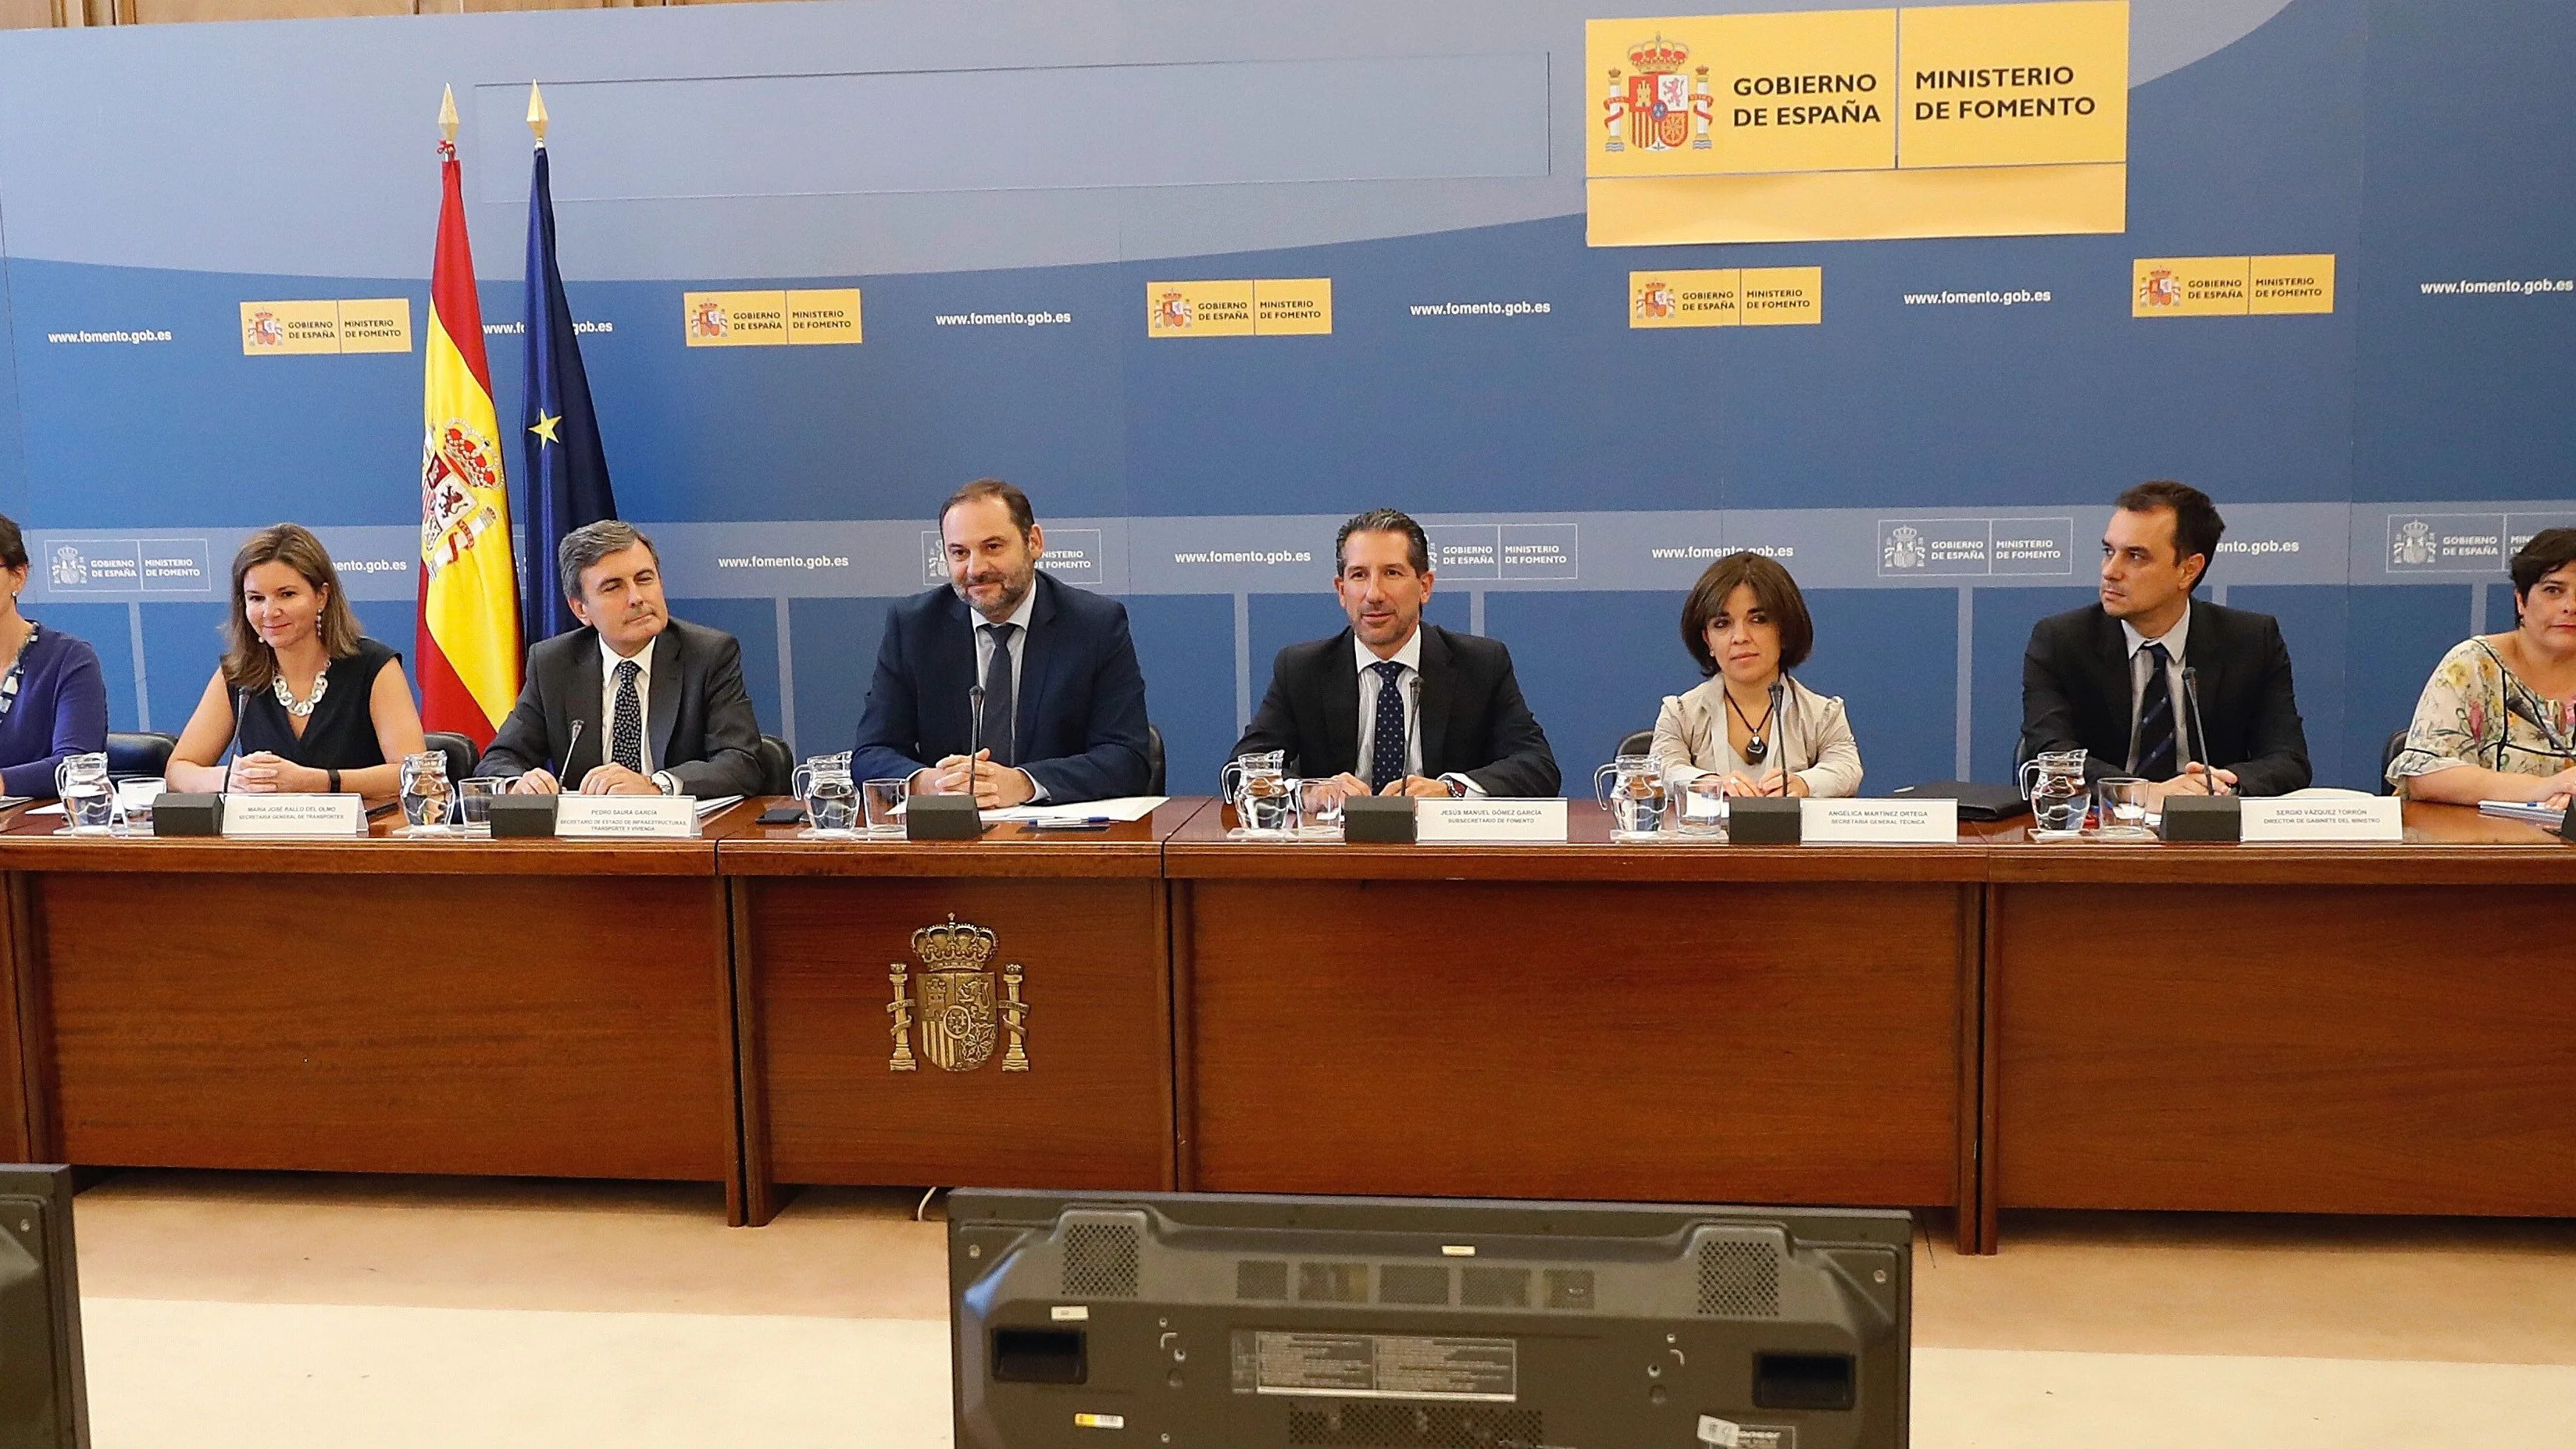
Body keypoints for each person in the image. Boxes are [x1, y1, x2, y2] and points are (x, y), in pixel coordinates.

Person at [851, 479, 1151, 805]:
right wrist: (930, 783)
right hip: (947, 843)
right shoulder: (915, 626)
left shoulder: (1094, 625)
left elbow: (1128, 759)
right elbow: (871, 753)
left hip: (1056, 844)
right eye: (959, 553)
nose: (975, 569)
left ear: (1034, 542)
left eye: (993, 547)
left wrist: (1023, 784)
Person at [1233, 508, 1560, 799]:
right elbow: (1239, 772)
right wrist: (1309, 792)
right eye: (1359, 575)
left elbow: (1538, 768)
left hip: (1441, 858)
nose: (1374, 594)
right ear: (1341, 591)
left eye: (1392, 573)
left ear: (1425, 586)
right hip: (1341, 859)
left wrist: (1451, 789)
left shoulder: (1480, 664)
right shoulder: (1302, 670)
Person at [2021, 480, 2310, 799]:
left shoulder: (2252, 641)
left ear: (2188, 570)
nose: (2110, 571)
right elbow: (2051, 753)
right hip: (2106, 831)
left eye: (2135, 556)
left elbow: (2288, 760)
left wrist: (2224, 784)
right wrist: (2140, 792)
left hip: (2209, 835)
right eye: (2109, 551)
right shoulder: (2062, 641)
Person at [477, 519, 764, 796]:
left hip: (681, 838)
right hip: (587, 840)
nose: (637, 598)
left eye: (644, 579)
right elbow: (499, 760)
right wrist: (519, 785)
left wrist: (655, 786)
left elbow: (741, 762)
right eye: (614, 587)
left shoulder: (708, 655)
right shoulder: (554, 664)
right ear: (581, 610)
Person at [166, 523, 426, 794]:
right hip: (266, 835)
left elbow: (412, 773)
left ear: (322, 596)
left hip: (363, 833)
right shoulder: (239, 674)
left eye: (286, 594)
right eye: (256, 598)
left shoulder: (374, 666)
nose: (270, 612)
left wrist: (316, 781)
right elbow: (178, 770)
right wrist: (229, 778)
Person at [2389, 527, 2576, 807]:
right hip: (2486, 846)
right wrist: (2546, 788)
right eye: (2553, 590)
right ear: (2521, 601)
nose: (2570, 606)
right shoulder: (2474, 665)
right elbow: (2424, 773)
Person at [1650, 552, 1861, 798]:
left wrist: (1805, 784)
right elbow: (1663, 768)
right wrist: (1707, 783)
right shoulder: (1680, 713)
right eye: (1722, 624)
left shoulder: (1823, 715)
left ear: (1783, 630)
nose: (1740, 637)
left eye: (1758, 620)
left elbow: (1846, 768)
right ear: (1708, 640)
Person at [0, 514, 109, 798]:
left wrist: (2, 783)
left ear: (18, 576)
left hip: (34, 834)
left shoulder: (68, 660)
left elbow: (76, 764)